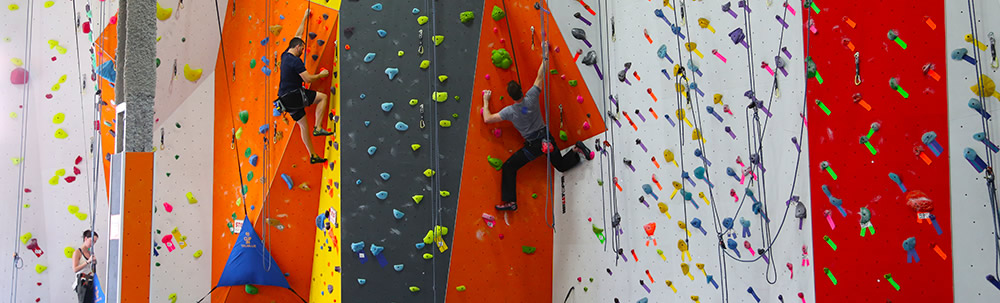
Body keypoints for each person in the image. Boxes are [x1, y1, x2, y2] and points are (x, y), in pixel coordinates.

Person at [481, 41, 594, 211]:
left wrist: (486, 100)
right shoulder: (531, 97)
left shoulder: (509, 112)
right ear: (521, 91)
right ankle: (577, 150)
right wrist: (544, 52)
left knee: (509, 166)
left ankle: (511, 202)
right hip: (545, 137)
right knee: (561, 165)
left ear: (511, 97)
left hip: (534, 146)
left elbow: (488, 119)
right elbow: (541, 75)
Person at [277, 9, 333, 164]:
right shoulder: (295, 61)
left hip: (284, 100)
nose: (302, 51)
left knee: (303, 126)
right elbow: (307, 78)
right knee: (323, 98)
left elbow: (298, 34)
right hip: (293, 95)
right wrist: (321, 76)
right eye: (302, 48)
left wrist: (304, 17)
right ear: (296, 48)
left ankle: (313, 155)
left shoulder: (285, 55)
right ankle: (318, 127)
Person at [71, 230, 98, 303]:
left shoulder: (90, 252)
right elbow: (75, 269)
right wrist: (87, 262)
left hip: (90, 280)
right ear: (85, 238)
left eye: (94, 242)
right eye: (91, 241)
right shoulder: (77, 252)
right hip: (82, 281)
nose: (92, 244)